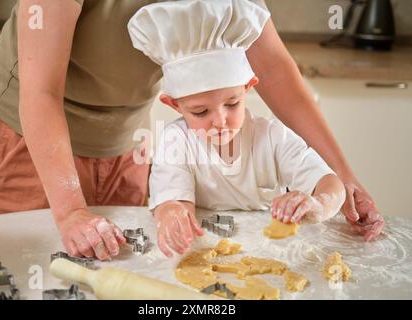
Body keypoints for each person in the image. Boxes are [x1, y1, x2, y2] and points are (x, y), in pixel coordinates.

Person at [0, 0, 383, 261]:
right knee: (32, 267)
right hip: (28, 136)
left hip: (125, 136)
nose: (219, 119)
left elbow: (273, 69)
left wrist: (343, 180)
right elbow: (41, 92)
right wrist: (71, 209)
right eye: (202, 111)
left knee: (117, 267)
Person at [129, 0, 346, 257]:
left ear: (248, 87)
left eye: (232, 104)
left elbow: (331, 184)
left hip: (270, 252)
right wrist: (170, 212)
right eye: (200, 112)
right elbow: (175, 202)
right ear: (174, 105)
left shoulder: (272, 137)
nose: (220, 120)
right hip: (205, 253)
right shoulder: (176, 142)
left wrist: (318, 204)